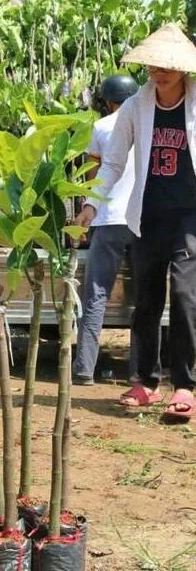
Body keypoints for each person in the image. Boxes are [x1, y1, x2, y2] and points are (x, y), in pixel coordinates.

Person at [76, 23, 196, 421]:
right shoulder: (134, 107)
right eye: (152, 66)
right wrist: (92, 205)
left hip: (190, 217)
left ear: (182, 69)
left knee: (184, 295)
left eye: (167, 66)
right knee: (145, 300)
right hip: (146, 215)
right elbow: (112, 162)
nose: (159, 73)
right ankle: (146, 381)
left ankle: (185, 385)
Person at [72, 74, 139, 386]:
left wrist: (86, 210)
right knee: (142, 298)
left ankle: (84, 368)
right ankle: (139, 371)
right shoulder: (148, 123)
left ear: (108, 101)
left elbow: (94, 175)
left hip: (108, 219)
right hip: (142, 221)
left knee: (96, 296)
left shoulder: (100, 128)